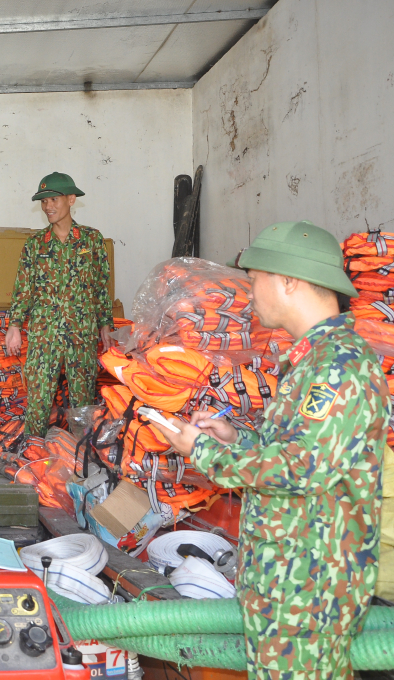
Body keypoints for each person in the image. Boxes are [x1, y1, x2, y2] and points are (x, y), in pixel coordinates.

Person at [153, 221, 388, 679]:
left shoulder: (339, 366)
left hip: (310, 593)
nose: (250, 289)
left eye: (255, 276)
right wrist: (232, 436)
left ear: (288, 281)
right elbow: (296, 448)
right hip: (288, 585)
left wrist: (203, 451)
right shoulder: (312, 361)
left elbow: (300, 468)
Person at [6, 172, 113, 437]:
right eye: (43, 202)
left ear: (71, 199)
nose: (48, 207)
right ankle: (34, 456)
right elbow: (23, 288)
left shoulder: (92, 240)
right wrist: (15, 325)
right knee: (38, 401)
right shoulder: (34, 245)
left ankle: (83, 462)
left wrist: (105, 324)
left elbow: (101, 286)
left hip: (82, 333)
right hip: (45, 335)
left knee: (83, 404)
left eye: (53, 199)